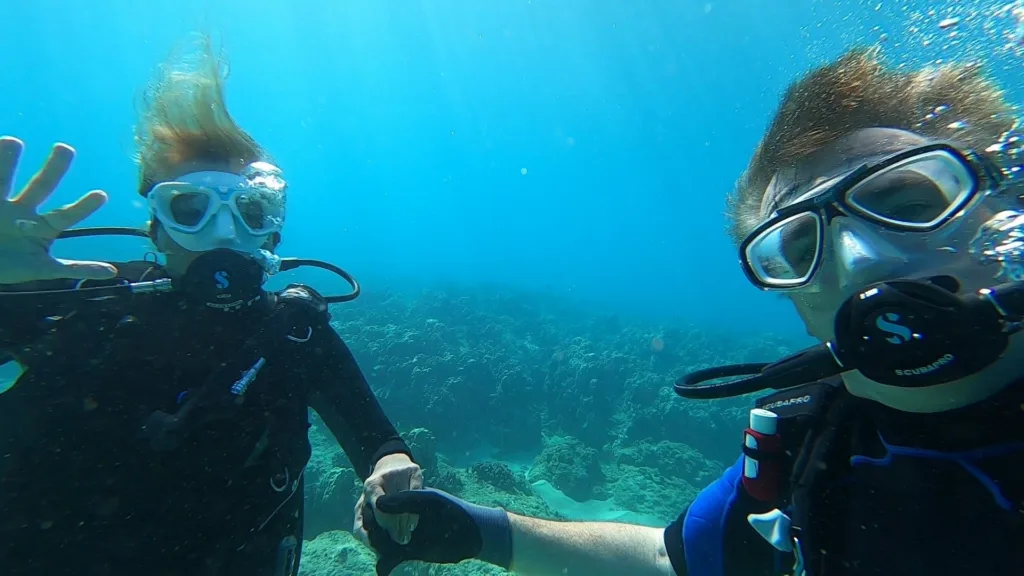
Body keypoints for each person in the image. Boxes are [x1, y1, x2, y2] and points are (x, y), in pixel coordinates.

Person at [360, 47, 1024, 576]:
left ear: (1006, 209)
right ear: (792, 300)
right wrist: (481, 531)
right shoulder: (803, 440)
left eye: (906, 203)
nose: (860, 258)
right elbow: (669, 558)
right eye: (798, 246)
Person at [0, 37, 422, 576]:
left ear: (271, 229)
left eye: (249, 210)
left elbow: (379, 441)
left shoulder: (294, 331)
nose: (223, 235)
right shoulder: (87, 304)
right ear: (155, 224)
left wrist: (393, 467)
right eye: (191, 209)